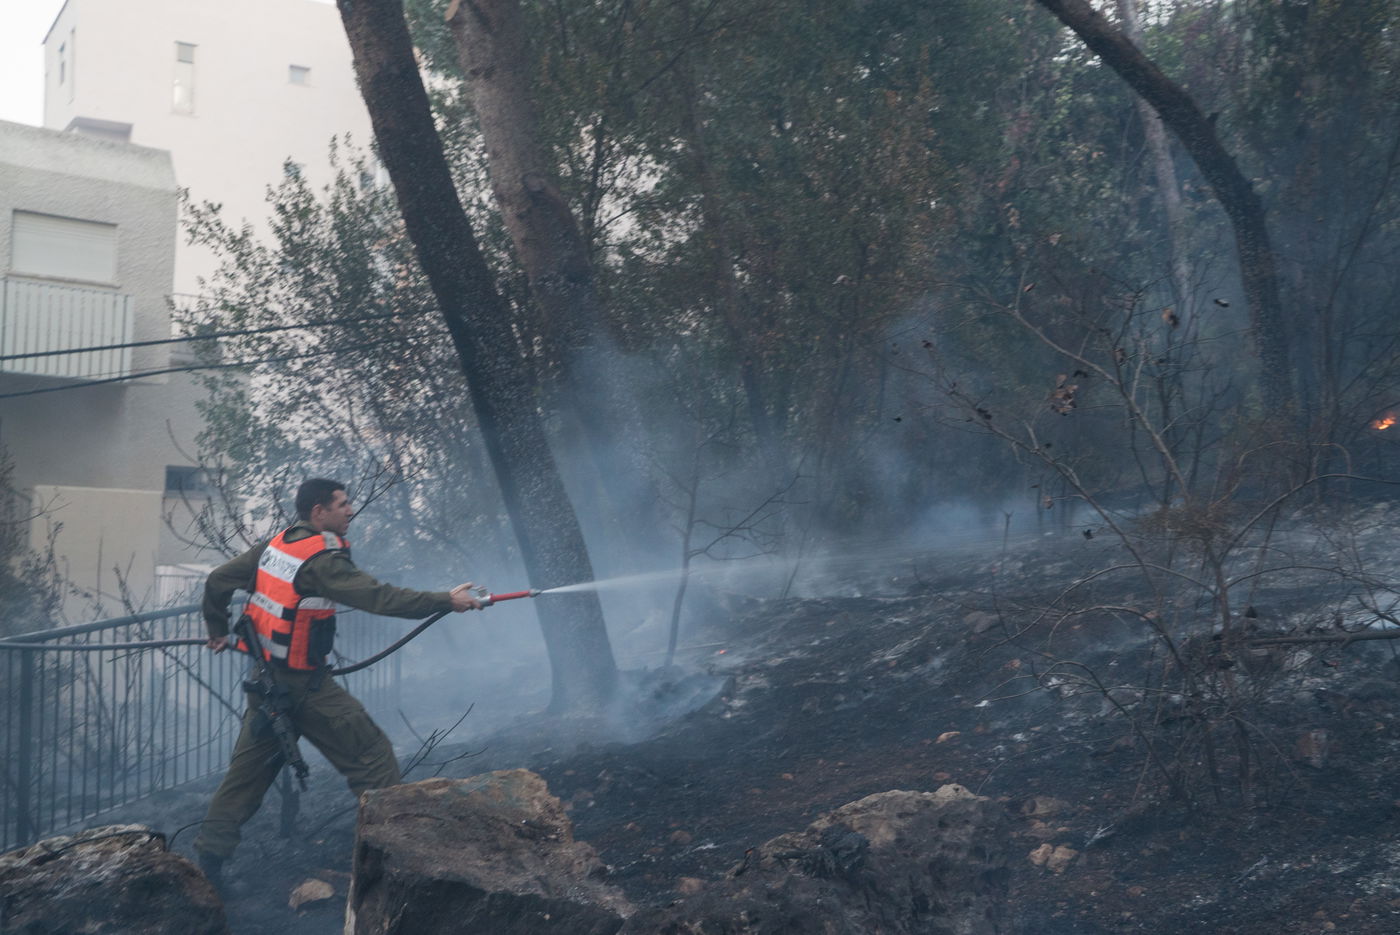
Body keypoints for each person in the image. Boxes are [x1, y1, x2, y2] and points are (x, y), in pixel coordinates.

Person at [192, 478, 482, 885]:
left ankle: (208, 865)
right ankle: (388, 861)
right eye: (343, 504)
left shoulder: (277, 545)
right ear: (318, 511)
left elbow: (218, 579)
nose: (351, 511)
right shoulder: (321, 558)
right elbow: (378, 597)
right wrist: (444, 601)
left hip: (264, 684)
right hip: (305, 689)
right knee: (372, 755)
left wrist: (217, 629)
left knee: (243, 780)